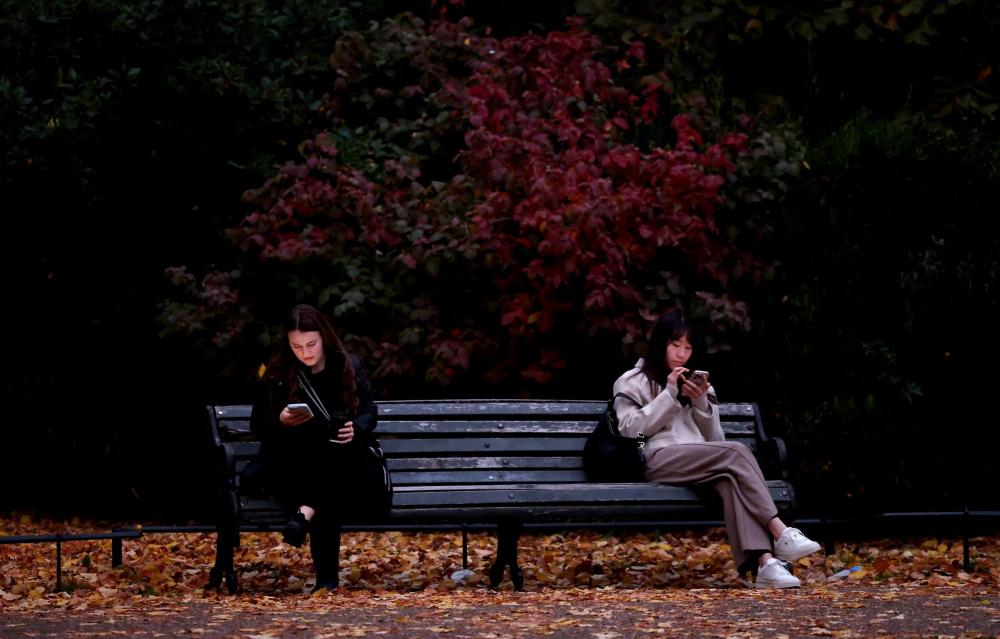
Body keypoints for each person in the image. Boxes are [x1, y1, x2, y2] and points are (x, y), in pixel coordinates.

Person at [612, 310, 821, 588]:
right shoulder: (633, 380)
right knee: (736, 452)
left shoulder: (697, 383)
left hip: (700, 459)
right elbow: (633, 431)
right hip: (655, 456)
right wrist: (669, 395)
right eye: (675, 345)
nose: (682, 354)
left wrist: (701, 403)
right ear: (660, 343)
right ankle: (780, 530)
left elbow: (715, 439)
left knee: (729, 479)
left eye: (688, 347)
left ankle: (766, 565)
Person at [247, 303, 378, 592]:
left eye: (311, 344)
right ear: (287, 344)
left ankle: (305, 513)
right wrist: (281, 421)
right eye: (297, 346)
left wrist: (356, 428)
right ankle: (326, 580)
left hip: (338, 461)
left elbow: (369, 411)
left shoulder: (346, 365)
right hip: (294, 463)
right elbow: (258, 426)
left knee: (330, 469)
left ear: (324, 337)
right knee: (326, 481)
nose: (305, 353)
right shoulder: (278, 372)